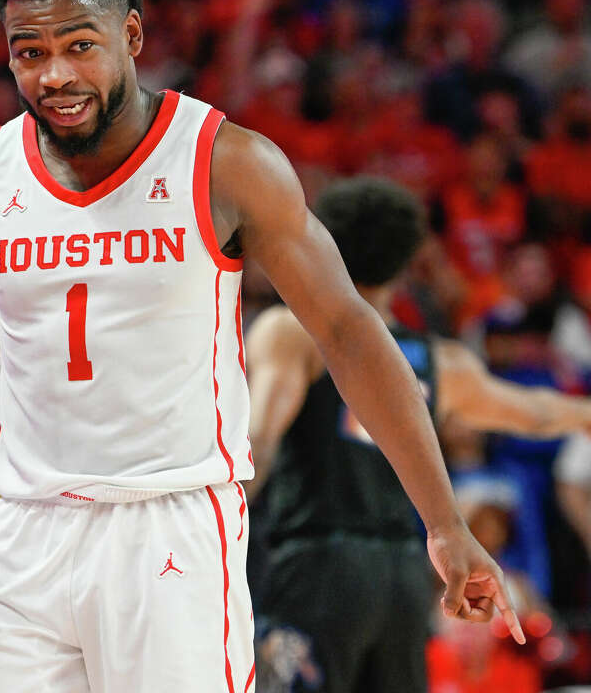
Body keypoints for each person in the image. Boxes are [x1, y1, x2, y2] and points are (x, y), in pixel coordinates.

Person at [0, 0, 524, 693]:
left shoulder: (227, 163)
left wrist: (445, 523)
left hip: (172, 527)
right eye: (30, 52)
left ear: (131, 33)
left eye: (79, 45)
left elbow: (348, 331)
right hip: (25, 529)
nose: (54, 74)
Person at [244, 176, 591, 693]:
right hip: (405, 573)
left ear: (324, 244)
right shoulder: (440, 359)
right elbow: (534, 412)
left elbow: (260, 444)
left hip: (318, 566)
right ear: (406, 262)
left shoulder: (293, 331)